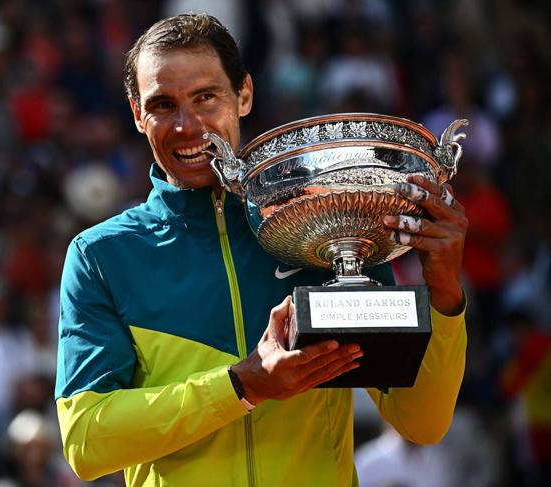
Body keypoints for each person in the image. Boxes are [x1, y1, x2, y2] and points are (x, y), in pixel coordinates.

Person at [55, 13, 468, 486]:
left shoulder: (328, 225)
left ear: (244, 94)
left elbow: (423, 423)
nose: (188, 126)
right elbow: (86, 441)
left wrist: (443, 295)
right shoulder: (103, 255)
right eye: (163, 104)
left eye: (206, 97)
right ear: (136, 113)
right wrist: (241, 385)